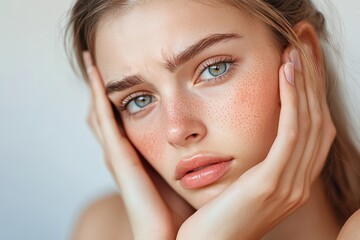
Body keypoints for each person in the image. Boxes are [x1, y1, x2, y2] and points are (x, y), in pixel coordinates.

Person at [65, 0, 360, 239]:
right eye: (138, 100)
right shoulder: (102, 228)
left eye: (214, 69)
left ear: (305, 60)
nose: (177, 130)